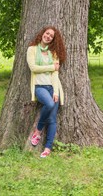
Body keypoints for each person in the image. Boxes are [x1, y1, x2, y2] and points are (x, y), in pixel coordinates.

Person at [26, 25, 66, 158]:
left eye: (51, 36)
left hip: (53, 88)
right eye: (47, 33)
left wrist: (55, 91)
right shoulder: (32, 49)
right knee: (48, 104)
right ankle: (38, 131)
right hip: (40, 87)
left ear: (53, 40)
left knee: (52, 119)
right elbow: (33, 68)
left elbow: (55, 75)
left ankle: (48, 148)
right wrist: (51, 67)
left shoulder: (53, 53)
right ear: (43, 33)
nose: (48, 36)